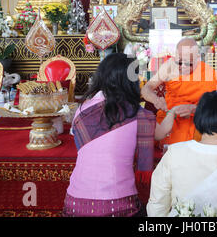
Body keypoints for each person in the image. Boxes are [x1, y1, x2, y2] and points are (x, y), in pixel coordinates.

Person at [63, 53, 155, 217]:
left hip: (74, 205)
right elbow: (160, 133)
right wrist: (172, 111)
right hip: (119, 207)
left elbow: (81, 147)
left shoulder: (81, 110)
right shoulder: (140, 115)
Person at [141, 38, 217, 146]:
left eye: (188, 63)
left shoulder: (207, 72)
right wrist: (155, 99)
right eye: (179, 62)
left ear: (197, 58)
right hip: (170, 119)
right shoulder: (169, 67)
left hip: (198, 120)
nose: (182, 66)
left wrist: (195, 109)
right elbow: (147, 88)